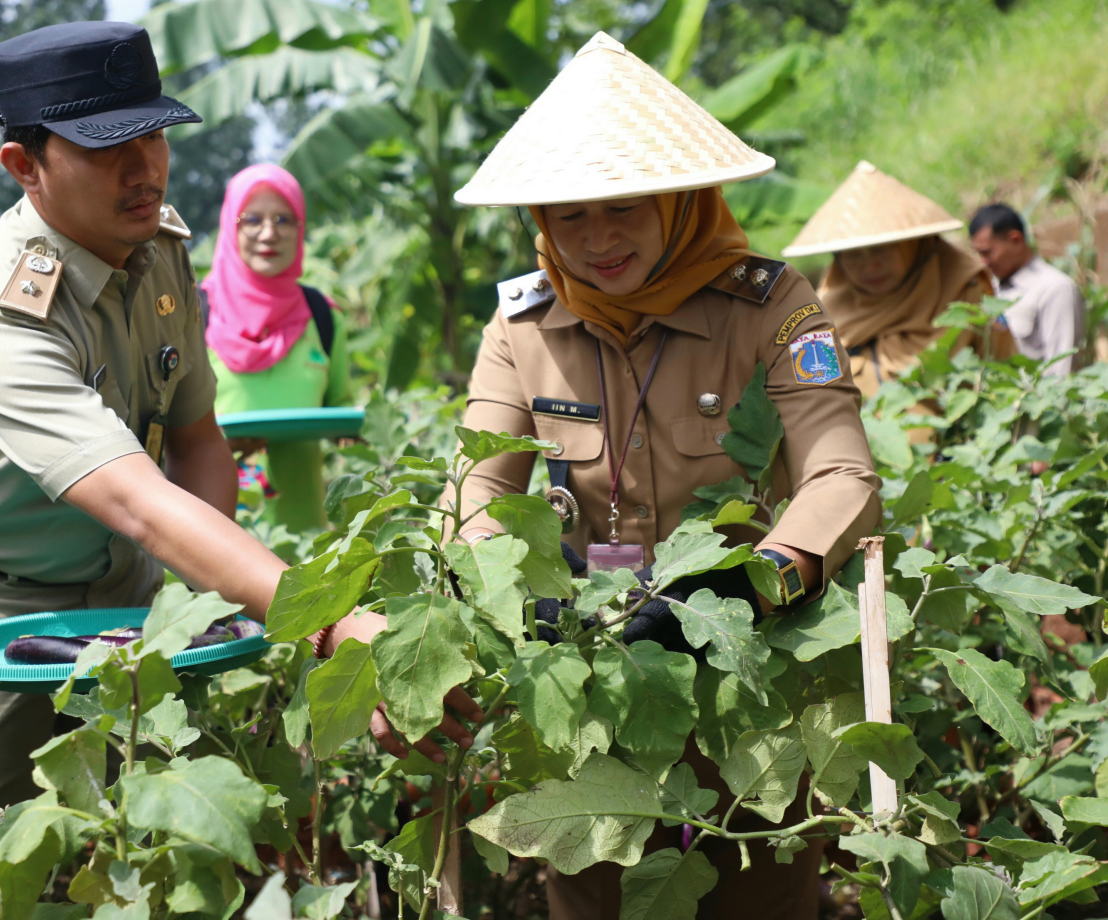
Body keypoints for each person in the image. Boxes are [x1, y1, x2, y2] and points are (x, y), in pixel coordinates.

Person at [0, 23, 475, 919]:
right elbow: (137, 497)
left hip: (132, 603)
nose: (144, 167)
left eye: (152, 135)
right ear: (24, 165)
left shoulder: (157, 248)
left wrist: (207, 603)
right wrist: (325, 624)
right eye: (105, 146)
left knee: (161, 868)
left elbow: (198, 437)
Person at [449, 33, 881, 920]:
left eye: (625, 208)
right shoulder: (520, 328)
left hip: (749, 662)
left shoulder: (771, 307)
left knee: (764, 878)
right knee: (595, 884)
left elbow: (842, 471)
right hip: (592, 676)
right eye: (569, 216)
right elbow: (478, 493)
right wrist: (509, 580)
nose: (597, 240)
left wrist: (755, 578)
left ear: (678, 201)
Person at [201, 164, 350, 531]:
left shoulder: (323, 317)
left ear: (300, 229)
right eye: (252, 219)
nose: (269, 234)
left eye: (284, 219)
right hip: (213, 537)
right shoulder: (190, 314)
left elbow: (342, 411)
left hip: (306, 544)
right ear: (230, 225)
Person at [782, 161, 1001, 396]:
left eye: (881, 250)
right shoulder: (821, 314)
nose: (870, 266)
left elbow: (1001, 375)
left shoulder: (964, 291)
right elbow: (809, 397)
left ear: (913, 246)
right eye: (854, 255)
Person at [970, 202, 1086, 377]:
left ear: (1015, 240)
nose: (983, 262)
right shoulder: (990, 289)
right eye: (978, 254)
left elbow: (1062, 372)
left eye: (987, 252)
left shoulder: (1055, 289)